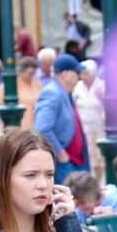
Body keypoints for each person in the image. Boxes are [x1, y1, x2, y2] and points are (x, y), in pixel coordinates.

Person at [34, 54, 85, 184]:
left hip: (73, 161)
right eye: (76, 72)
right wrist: (61, 154)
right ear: (65, 74)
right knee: (64, 201)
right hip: (63, 164)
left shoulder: (65, 93)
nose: (79, 76)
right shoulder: (52, 92)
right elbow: (42, 128)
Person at [73, 60, 107, 182]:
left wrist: (102, 98)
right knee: (89, 160)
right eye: (81, 73)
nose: (82, 76)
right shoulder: (77, 87)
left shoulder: (101, 86)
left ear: (93, 74)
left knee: (99, 160)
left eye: (85, 73)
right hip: (84, 128)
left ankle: (98, 182)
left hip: (99, 128)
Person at [14, 56, 42, 131]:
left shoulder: (37, 83)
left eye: (34, 73)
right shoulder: (12, 84)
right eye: (30, 73)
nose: (32, 76)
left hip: (35, 127)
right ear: (21, 71)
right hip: (19, 128)